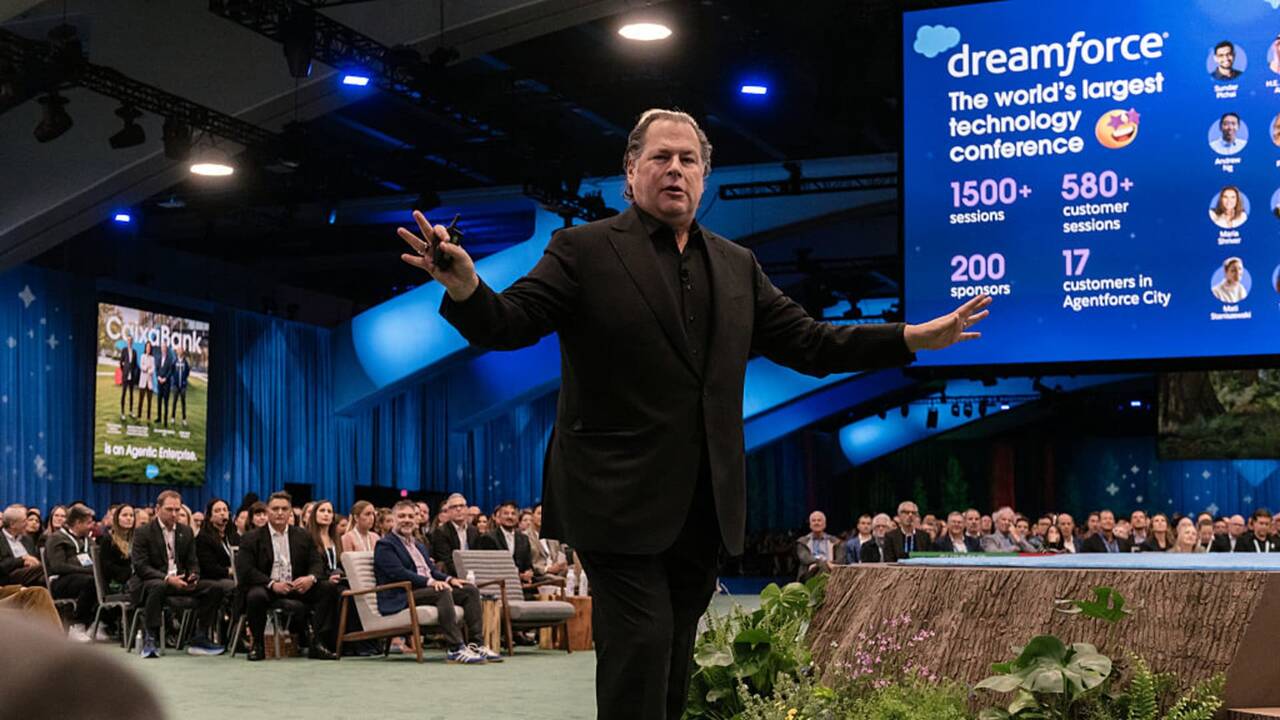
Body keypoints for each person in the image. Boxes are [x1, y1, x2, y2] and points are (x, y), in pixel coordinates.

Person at [400, 107, 988, 719]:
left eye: (688, 160)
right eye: (661, 157)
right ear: (631, 171)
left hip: (703, 504)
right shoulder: (582, 249)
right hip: (612, 498)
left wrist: (910, 338)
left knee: (676, 659)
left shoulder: (738, 265)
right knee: (642, 646)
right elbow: (512, 322)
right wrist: (465, 287)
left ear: (705, 177)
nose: (675, 169)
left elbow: (812, 343)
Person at [373, 500, 500, 664]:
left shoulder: (418, 545)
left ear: (416, 519)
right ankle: (456, 648)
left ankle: (476, 644)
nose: (407, 520)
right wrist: (430, 582)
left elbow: (432, 570)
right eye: (402, 516)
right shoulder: (385, 544)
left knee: (469, 590)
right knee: (441, 591)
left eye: (410, 516)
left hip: (423, 591)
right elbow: (398, 573)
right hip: (401, 594)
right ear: (394, 519)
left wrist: (450, 579)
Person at [234, 491, 340, 662]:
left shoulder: (303, 535)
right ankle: (258, 646)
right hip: (267, 587)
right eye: (275, 508)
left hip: (296, 586)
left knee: (328, 588)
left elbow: (317, 563)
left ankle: (317, 643)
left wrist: (310, 578)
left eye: (284, 509)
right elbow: (246, 570)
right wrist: (272, 583)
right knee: (255, 596)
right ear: (268, 511)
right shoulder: (251, 538)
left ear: (290, 512)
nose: (280, 513)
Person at [128, 490, 225, 658]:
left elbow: (192, 561)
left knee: (215, 588)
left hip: (180, 581)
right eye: (169, 509)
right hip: (152, 580)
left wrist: (194, 575)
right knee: (158, 586)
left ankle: (200, 637)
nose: (174, 514)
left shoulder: (185, 531)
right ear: (158, 509)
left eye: (177, 510)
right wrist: (167, 578)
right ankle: (150, 637)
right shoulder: (143, 532)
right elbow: (141, 566)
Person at [45, 504, 105, 642]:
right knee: (90, 581)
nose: (91, 526)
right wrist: (86, 570)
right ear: (78, 523)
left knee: (102, 580)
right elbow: (58, 566)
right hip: (60, 581)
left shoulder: (88, 540)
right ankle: (76, 624)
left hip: (83, 577)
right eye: (88, 523)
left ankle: (94, 623)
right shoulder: (57, 538)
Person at [476, 500, 534, 584]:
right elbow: (488, 567)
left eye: (513, 514)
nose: (510, 517)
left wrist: (528, 573)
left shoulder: (524, 539)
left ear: (518, 517)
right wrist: (518, 575)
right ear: (499, 517)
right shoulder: (488, 538)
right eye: (506, 513)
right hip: (498, 584)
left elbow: (528, 565)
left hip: (522, 584)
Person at [430, 493, 481, 577]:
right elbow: (447, 561)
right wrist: (465, 575)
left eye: (461, 506)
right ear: (448, 511)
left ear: (466, 509)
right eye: (454, 507)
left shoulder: (474, 531)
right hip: (452, 575)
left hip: (474, 573)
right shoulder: (441, 532)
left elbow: (478, 556)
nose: (458, 509)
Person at [193, 498, 235, 597]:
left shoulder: (233, 536)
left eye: (225, 510)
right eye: (217, 511)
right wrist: (229, 571)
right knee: (235, 586)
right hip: (213, 578)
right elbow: (209, 568)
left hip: (234, 575)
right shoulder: (204, 538)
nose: (222, 513)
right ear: (210, 517)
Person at [1, 504, 45, 586]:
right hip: (9, 577)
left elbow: (34, 559)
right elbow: (2, 565)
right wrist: (22, 560)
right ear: (12, 524)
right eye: (24, 521)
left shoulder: (27, 539)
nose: (27, 524)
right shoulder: (1, 539)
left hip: (32, 574)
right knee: (45, 568)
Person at [795, 511, 845, 580]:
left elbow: (840, 560)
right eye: (813, 521)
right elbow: (805, 559)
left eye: (819, 520)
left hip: (831, 572)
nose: (816, 523)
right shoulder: (802, 542)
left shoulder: (835, 541)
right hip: (809, 574)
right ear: (810, 525)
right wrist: (824, 563)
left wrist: (826, 564)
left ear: (824, 524)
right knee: (820, 567)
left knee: (823, 568)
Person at [98, 503, 135, 594]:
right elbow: (107, 567)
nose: (129, 518)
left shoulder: (137, 539)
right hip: (116, 582)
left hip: (135, 579)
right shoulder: (108, 540)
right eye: (124, 515)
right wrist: (129, 572)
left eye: (131, 515)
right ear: (116, 518)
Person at [528, 502, 569, 581]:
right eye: (539, 513)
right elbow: (529, 563)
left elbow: (561, 553)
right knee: (559, 580)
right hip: (540, 574)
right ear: (532, 516)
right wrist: (547, 569)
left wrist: (562, 565)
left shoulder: (552, 535)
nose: (542, 517)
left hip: (557, 571)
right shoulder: (525, 537)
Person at [306, 500, 344, 583]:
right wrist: (327, 579)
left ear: (333, 517)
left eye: (329, 511)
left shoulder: (336, 538)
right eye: (322, 510)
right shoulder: (308, 537)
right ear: (314, 515)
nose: (326, 514)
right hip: (319, 582)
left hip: (338, 581)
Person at [118, 330, 138, 421]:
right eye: (128, 340)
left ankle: (131, 411)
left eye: (131, 340)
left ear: (132, 342)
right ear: (127, 341)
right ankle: (122, 412)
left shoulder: (134, 352)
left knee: (131, 394)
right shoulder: (124, 350)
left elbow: (135, 365)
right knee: (124, 393)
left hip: (132, 376)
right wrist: (124, 371)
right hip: (125, 376)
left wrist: (133, 373)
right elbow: (121, 362)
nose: (129, 342)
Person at [169, 344, 191, 427]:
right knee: (174, 402)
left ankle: (184, 419)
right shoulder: (174, 361)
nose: (180, 351)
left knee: (183, 402)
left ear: (183, 351)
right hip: (176, 385)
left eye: (181, 350)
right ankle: (173, 418)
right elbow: (172, 371)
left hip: (183, 386)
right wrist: (174, 381)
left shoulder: (185, 362)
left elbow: (187, 372)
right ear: (177, 352)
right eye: (178, 350)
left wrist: (184, 380)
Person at [137, 340, 156, 423]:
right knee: (140, 400)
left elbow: (153, 369)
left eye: (149, 347)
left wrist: (148, 370)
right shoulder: (142, 356)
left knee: (149, 401)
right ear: (145, 348)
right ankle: (139, 416)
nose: (148, 348)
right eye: (147, 347)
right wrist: (147, 367)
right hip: (142, 382)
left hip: (149, 382)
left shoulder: (152, 358)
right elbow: (141, 366)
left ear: (150, 349)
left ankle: (148, 417)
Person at [156, 341, 174, 427]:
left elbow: (170, 371)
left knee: (166, 403)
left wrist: (165, 378)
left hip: (166, 384)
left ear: (166, 349)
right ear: (161, 349)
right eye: (162, 347)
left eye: (164, 348)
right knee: (159, 401)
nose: (163, 349)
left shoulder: (170, 359)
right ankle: (159, 418)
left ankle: (165, 421)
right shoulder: (159, 358)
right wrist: (158, 377)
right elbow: (157, 369)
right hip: (159, 383)